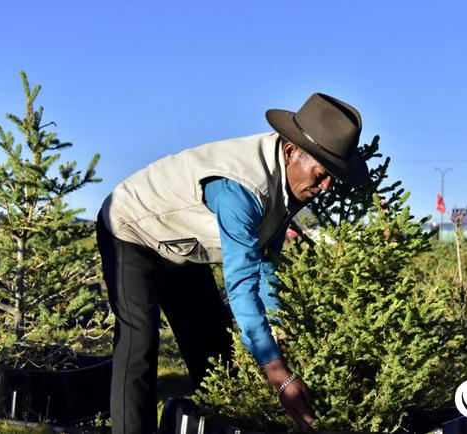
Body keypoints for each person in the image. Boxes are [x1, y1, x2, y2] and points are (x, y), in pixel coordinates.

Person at [95, 93, 369, 434]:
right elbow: (241, 286)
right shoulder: (243, 189)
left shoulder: (291, 185)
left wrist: (279, 333)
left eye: (332, 178)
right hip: (131, 226)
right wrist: (279, 375)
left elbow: (265, 266)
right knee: (139, 343)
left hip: (182, 245)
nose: (325, 186)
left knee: (213, 347)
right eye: (321, 174)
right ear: (290, 152)